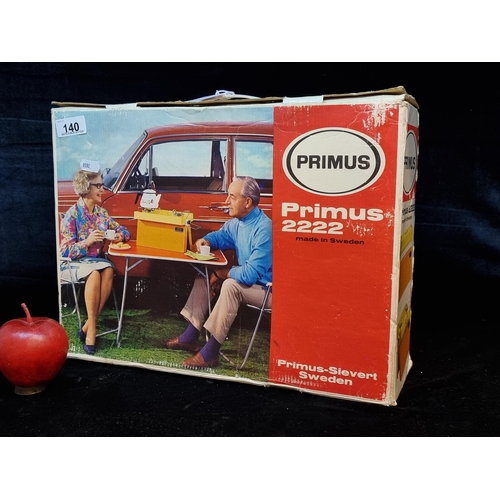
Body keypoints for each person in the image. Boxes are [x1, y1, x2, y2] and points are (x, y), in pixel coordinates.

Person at [162, 176, 272, 369]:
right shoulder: (238, 222)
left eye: (232, 197)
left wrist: (221, 274)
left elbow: (250, 275)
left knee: (230, 285)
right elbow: (220, 236)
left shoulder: (264, 228)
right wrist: (206, 241)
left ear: (247, 202)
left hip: (268, 291)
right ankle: (190, 336)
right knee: (203, 276)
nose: (227, 201)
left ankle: (210, 353)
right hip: (249, 284)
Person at [60, 168, 130, 355]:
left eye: (102, 185)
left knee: (108, 270)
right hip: (73, 264)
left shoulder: (102, 213)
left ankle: (87, 325)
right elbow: (64, 251)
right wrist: (87, 242)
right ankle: (91, 330)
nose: (102, 189)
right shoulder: (72, 215)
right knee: (94, 274)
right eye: (98, 185)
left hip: (96, 262)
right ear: (86, 187)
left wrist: (119, 236)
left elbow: (125, 231)